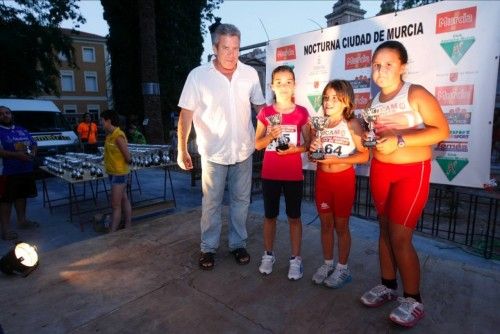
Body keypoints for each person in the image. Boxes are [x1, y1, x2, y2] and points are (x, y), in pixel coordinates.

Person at [359, 41, 449, 328]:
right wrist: (367, 139)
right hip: (381, 171)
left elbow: (441, 131)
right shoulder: (372, 104)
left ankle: (413, 299)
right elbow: (375, 138)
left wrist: (400, 139)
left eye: (388, 64)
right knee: (384, 231)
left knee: (400, 237)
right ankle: (388, 285)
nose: (381, 70)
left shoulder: (416, 93)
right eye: (376, 64)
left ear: (403, 67)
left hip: (412, 172)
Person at [177, 23, 265, 270]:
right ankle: (208, 248)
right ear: (215, 47)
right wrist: (181, 149)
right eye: (226, 48)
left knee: (241, 202)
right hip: (213, 154)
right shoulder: (198, 76)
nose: (231, 54)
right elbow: (185, 114)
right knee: (211, 204)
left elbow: (260, 108)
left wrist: (279, 126)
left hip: (243, 152)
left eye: (235, 48)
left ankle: (238, 244)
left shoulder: (249, 74)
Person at [309, 80, 369, 287]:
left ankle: (342, 268)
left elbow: (364, 156)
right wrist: (313, 150)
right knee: (325, 225)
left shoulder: (351, 123)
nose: (329, 102)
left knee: (341, 226)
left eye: (335, 98)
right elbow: (313, 154)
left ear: (346, 101)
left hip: (343, 181)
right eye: (326, 98)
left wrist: (337, 160)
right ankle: (327, 264)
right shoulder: (320, 123)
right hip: (322, 180)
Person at [255, 65, 310, 280]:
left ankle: (296, 259)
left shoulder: (302, 112)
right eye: (279, 82)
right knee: (270, 217)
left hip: (293, 175)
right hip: (270, 174)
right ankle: (268, 255)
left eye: (288, 82)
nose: (284, 86)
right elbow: (257, 145)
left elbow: (309, 144)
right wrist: (270, 136)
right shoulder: (266, 113)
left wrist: (294, 150)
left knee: (294, 218)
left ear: (294, 85)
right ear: (272, 86)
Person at [0, 106, 38, 241]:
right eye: (1, 114)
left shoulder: (21, 129)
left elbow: (33, 143)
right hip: (7, 171)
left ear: (11, 115)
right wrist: (17, 155)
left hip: (25, 169)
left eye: (7, 113)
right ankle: (5, 230)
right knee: (6, 200)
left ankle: (22, 221)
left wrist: (33, 151)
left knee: (21, 196)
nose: (4, 115)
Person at [100, 110, 132, 233]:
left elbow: (128, 157)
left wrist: (124, 166)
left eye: (102, 121)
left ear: (108, 121)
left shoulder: (118, 136)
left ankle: (112, 234)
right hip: (112, 173)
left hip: (119, 174)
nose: (100, 123)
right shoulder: (109, 135)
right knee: (123, 199)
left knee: (115, 205)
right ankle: (128, 226)